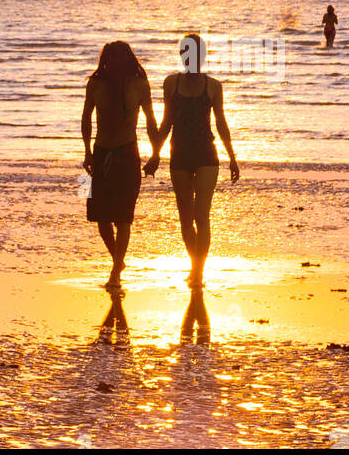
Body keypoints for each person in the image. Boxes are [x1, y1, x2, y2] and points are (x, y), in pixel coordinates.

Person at [147, 33, 240, 288]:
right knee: (186, 218)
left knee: (202, 215)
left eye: (196, 54)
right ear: (182, 55)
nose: (192, 58)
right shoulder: (171, 84)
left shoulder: (213, 86)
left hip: (206, 155)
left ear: (203, 56)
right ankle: (195, 265)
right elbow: (166, 123)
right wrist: (155, 154)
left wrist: (232, 157)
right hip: (179, 154)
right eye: (187, 53)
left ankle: (199, 272)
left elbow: (221, 123)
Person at [82, 41, 156, 292]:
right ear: (105, 61)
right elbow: (86, 117)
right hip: (101, 153)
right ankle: (119, 260)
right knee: (100, 217)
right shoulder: (95, 84)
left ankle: (115, 273)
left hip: (128, 153)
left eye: (118, 59)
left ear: (127, 60)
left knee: (124, 217)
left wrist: (156, 154)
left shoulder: (139, 85)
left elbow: (150, 121)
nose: (114, 63)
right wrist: (87, 152)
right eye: (109, 59)